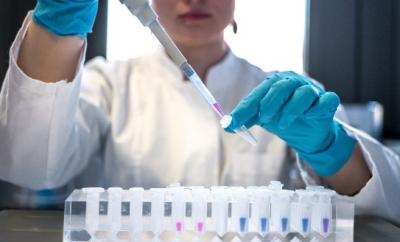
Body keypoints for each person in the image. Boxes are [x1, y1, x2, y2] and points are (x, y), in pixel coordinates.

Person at [0, 0, 399, 223]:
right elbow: (29, 166)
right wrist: (58, 27)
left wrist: (330, 148)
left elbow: (385, 202)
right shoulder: (108, 84)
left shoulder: (283, 94)